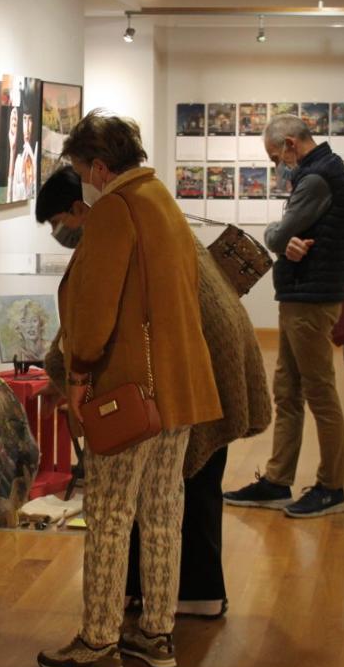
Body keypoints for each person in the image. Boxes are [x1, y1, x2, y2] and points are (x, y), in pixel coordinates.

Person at [36, 166, 272, 621]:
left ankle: (155, 603)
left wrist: (65, 376)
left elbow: (89, 324)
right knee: (188, 488)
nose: (58, 234)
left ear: (78, 209)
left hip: (193, 367)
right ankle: (182, 599)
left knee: (156, 491)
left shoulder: (114, 230)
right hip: (209, 361)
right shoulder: (153, 212)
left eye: (57, 223)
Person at [37, 111, 222, 667]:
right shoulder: (160, 196)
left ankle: (98, 642)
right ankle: (157, 633)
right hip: (180, 386)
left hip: (128, 391)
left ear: (98, 166)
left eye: (79, 170)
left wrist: (77, 373)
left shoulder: (116, 208)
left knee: (111, 514)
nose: (83, 183)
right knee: (164, 510)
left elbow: (93, 314)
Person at [223, 114, 344, 519]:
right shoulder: (323, 173)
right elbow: (289, 236)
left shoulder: (317, 178)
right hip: (303, 295)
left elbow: (278, 236)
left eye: (273, 157)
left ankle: (332, 488)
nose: (275, 166)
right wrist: (285, 237)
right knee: (288, 390)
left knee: (318, 392)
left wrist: (277, 235)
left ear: (290, 145)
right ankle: (278, 481)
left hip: (311, 299)